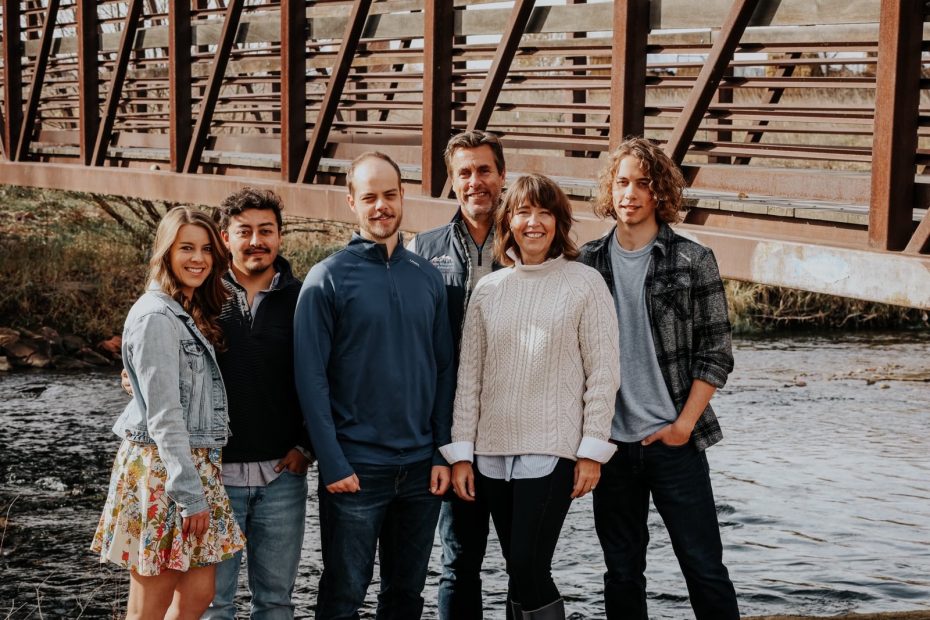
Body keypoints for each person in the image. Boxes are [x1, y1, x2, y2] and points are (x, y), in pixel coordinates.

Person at [443, 173, 621, 620]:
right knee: (517, 570)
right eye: (523, 212)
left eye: (544, 212)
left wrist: (592, 450)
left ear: (559, 223)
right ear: (509, 222)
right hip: (491, 452)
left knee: (527, 563)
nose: (533, 222)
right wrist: (462, 453)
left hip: (552, 448)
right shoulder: (488, 289)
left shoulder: (585, 283)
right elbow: (470, 377)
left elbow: (603, 374)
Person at [578, 137, 739, 619]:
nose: (630, 193)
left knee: (703, 566)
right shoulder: (586, 263)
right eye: (622, 182)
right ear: (611, 189)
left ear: (659, 193)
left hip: (675, 443)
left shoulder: (693, 260)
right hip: (611, 447)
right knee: (622, 572)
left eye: (642, 184)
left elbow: (717, 353)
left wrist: (682, 427)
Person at [294, 152, 455, 619]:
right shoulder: (326, 279)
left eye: (389, 195)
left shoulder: (426, 276)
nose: (381, 206)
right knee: (344, 595)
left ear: (403, 196)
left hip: (422, 470)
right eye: (369, 197)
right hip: (355, 469)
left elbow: (444, 368)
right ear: (351, 202)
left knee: (405, 596)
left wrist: (441, 449)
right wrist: (333, 462)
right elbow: (310, 381)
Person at [91, 207, 245, 619]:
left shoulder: (188, 310)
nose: (198, 258)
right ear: (166, 252)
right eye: (186, 248)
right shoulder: (156, 316)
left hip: (196, 463)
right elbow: (164, 415)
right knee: (150, 608)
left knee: (198, 592)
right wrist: (189, 493)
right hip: (164, 470)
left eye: (206, 249)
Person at [406, 130, 506, 620]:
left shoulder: (531, 239)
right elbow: (411, 347)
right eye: (464, 172)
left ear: (501, 176)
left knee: (527, 562)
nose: (475, 182)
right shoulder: (424, 249)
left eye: (484, 170)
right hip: (452, 434)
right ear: (452, 180)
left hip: (517, 427)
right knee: (459, 559)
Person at [204, 188, 312, 619]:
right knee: (214, 604)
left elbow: (326, 376)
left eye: (266, 231)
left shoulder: (305, 297)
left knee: (275, 603)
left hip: (281, 477)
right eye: (244, 231)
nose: (256, 241)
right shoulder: (200, 294)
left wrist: (307, 446)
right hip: (213, 474)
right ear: (225, 237)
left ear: (280, 237)